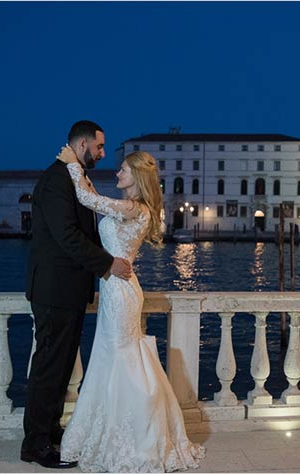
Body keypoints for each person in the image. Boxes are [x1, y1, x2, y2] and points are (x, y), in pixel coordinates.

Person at [57, 146, 206, 472]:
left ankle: (137, 433)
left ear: (137, 176)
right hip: (115, 288)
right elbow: (96, 197)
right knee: (111, 357)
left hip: (121, 291)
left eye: (123, 170)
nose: (117, 173)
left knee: (121, 357)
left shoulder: (134, 209)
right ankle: (115, 428)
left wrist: (72, 166)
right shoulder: (130, 207)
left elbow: (89, 200)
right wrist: (82, 175)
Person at [22, 120, 132, 469]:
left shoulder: (72, 177)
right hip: (54, 291)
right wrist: (107, 264)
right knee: (49, 366)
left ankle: (49, 430)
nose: (102, 153)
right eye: (99, 147)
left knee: (61, 365)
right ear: (83, 144)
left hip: (66, 291)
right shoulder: (57, 180)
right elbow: (67, 236)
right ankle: (35, 444)